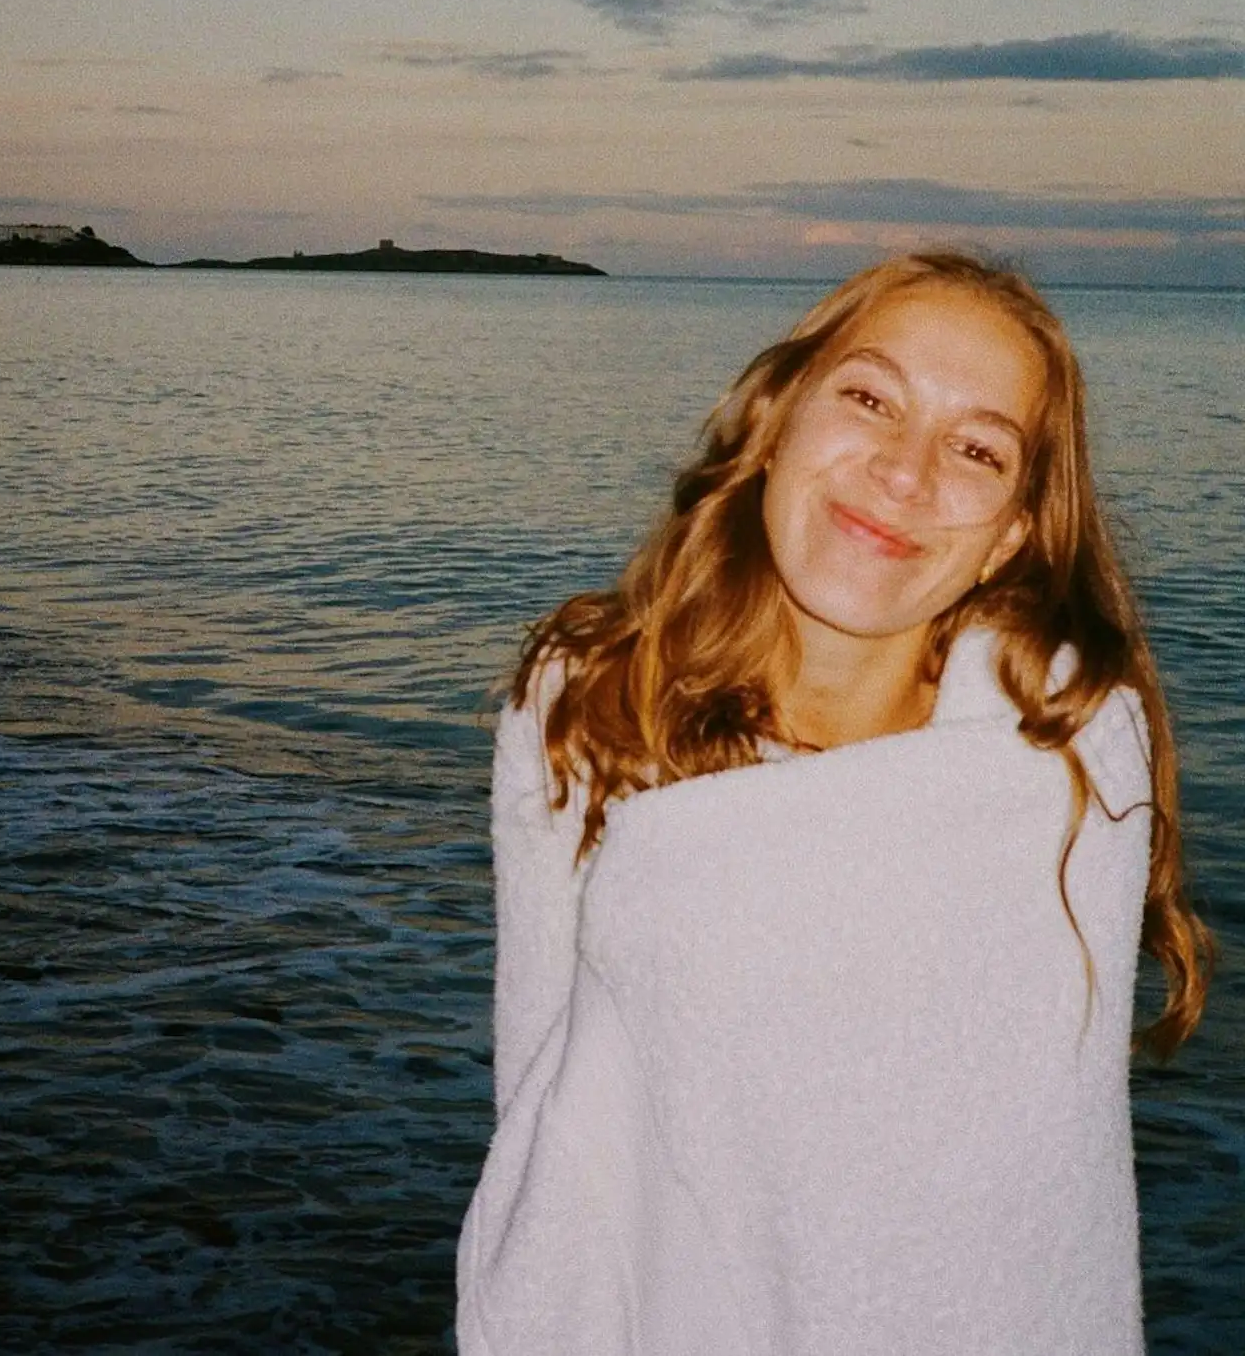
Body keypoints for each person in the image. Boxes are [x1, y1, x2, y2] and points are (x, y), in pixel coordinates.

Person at [456, 251, 1211, 1356]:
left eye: (976, 449)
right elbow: (541, 1104)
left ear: (1010, 531)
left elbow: (1045, 1180)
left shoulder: (1060, 748)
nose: (905, 473)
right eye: (870, 398)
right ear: (775, 420)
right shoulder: (588, 700)